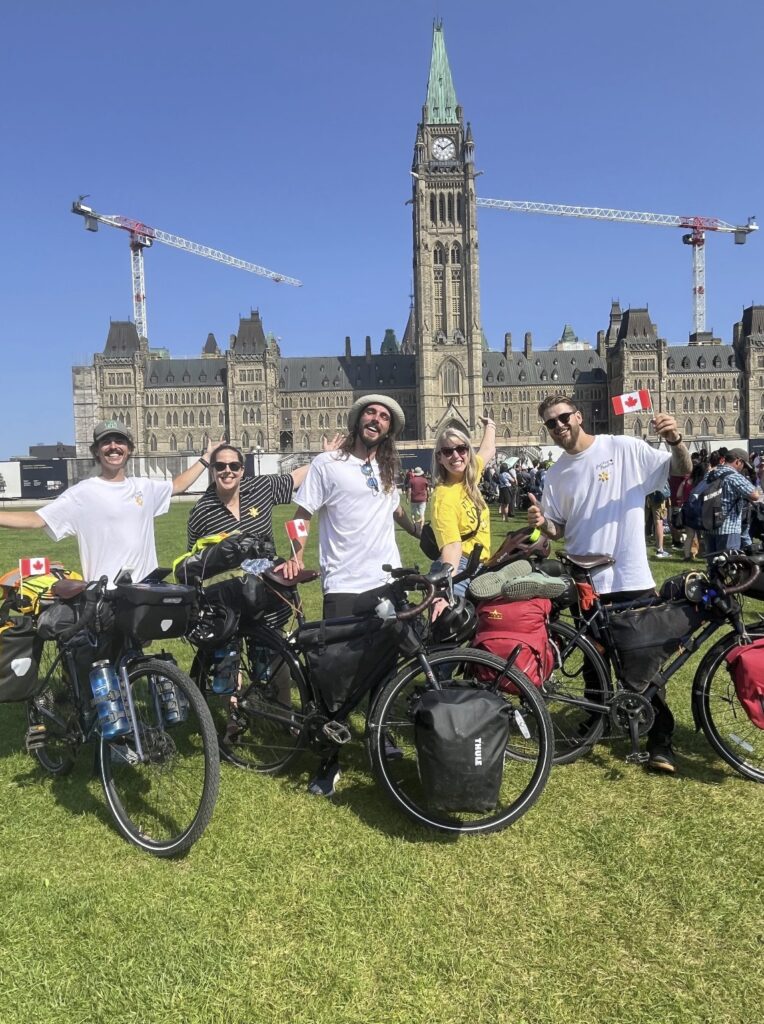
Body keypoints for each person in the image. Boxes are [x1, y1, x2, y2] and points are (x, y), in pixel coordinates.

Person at [528, 394, 691, 774]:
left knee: (644, 664)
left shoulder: (623, 448)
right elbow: (560, 527)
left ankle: (660, 741)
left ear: (578, 416)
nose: (558, 426)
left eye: (563, 417)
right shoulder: (555, 473)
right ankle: (596, 723)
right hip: (586, 579)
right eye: (550, 423)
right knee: (592, 660)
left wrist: (675, 440)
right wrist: (542, 523)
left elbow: (679, 471)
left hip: (631, 576)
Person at [283, 394, 421, 796]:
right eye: (370, 413)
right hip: (343, 582)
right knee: (334, 676)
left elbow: (395, 512)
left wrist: (423, 534)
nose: (375, 420)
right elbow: (301, 516)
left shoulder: (388, 467)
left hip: (386, 582)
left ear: (390, 430)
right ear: (358, 419)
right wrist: (296, 556)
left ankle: (380, 737)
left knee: (385, 669)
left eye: (383, 417)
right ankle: (329, 761)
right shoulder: (329, 464)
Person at [0, 420, 216, 584]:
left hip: (143, 590)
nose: (113, 447)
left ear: (129, 449)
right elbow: (37, 519)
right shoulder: (82, 493)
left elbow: (178, 486)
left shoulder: (144, 487)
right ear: (96, 451)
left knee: (137, 645)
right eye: (106, 442)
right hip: (104, 594)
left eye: (120, 441)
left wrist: (206, 458)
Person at [186, 436, 341, 549]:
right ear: (212, 470)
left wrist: (323, 459)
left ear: (242, 470)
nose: (227, 471)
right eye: (220, 466)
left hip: (265, 586)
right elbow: (193, 557)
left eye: (234, 466)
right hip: (223, 589)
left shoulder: (261, 487)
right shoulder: (202, 509)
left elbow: (294, 478)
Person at [429, 418, 496, 605]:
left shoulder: (470, 480)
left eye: (461, 449)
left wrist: (489, 426)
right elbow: (451, 546)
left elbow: (488, 450)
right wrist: (445, 590)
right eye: (448, 451)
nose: (456, 456)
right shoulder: (443, 496)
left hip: (479, 566)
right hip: (458, 568)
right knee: (452, 628)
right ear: (439, 458)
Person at [704, 447, 762, 554]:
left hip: (709, 525)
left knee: (713, 564)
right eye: (743, 465)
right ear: (738, 461)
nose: (743, 468)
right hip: (728, 527)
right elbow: (755, 495)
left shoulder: (710, 474)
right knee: (729, 565)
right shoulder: (734, 476)